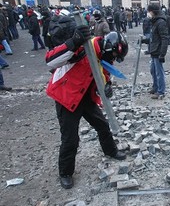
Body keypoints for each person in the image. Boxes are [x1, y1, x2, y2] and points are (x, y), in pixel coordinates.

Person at [45, 29, 128, 189]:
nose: (113, 61)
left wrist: (106, 86)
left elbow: (103, 73)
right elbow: (50, 61)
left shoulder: (104, 55)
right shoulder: (83, 47)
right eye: (114, 57)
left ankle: (110, 150)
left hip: (85, 98)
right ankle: (66, 173)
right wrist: (73, 42)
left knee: (102, 125)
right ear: (109, 49)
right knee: (70, 139)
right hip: (66, 97)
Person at [147, 4, 169, 100]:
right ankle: (155, 87)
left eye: (149, 11)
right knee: (153, 70)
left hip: (158, 51)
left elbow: (164, 39)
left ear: (153, 11)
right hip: (154, 50)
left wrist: (162, 54)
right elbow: (154, 37)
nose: (148, 13)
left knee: (159, 72)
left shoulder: (161, 22)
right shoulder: (155, 21)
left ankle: (161, 91)